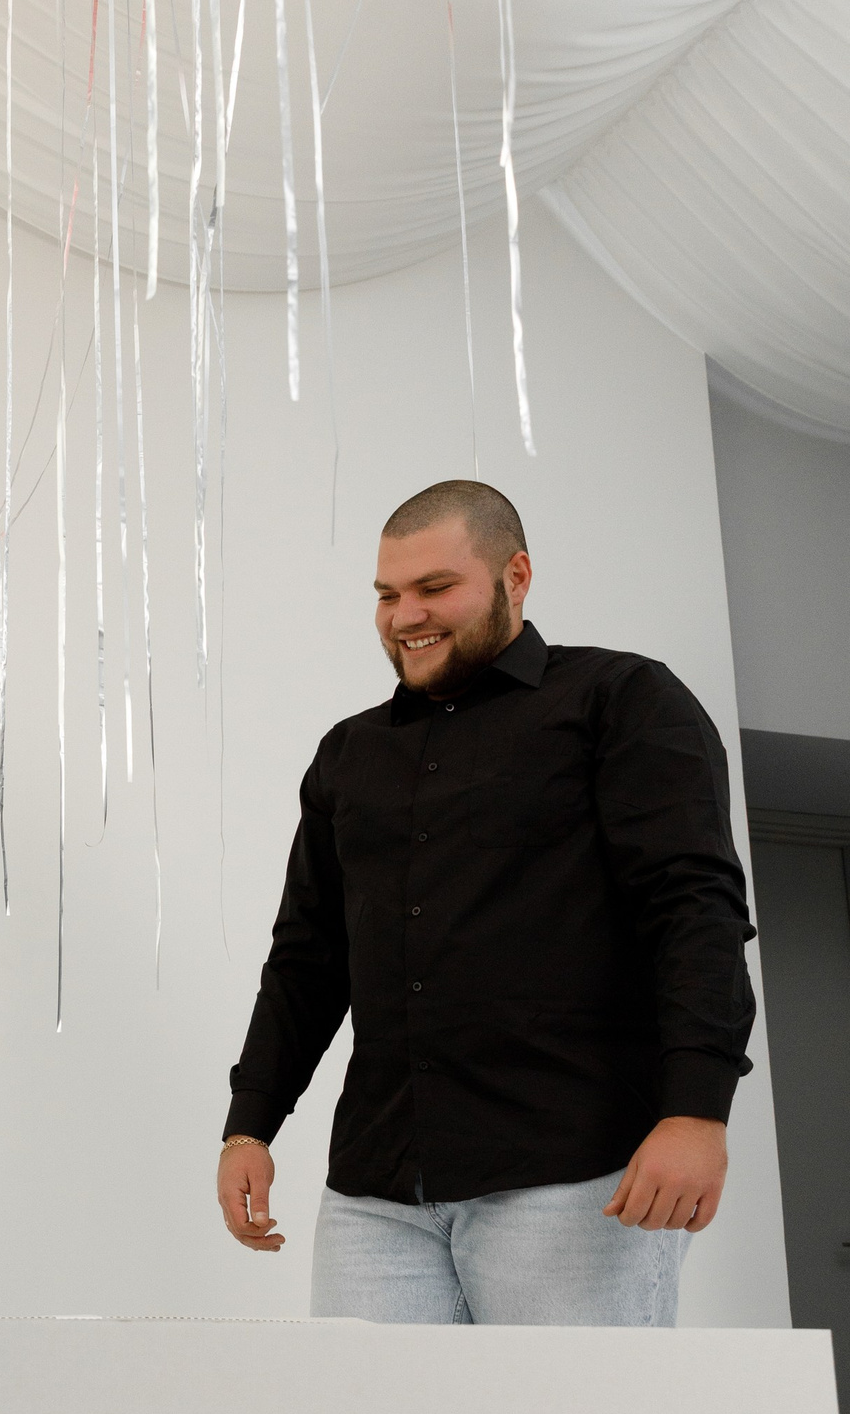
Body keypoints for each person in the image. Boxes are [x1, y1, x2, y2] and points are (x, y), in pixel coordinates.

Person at [216, 479, 757, 1326]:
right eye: (387, 594)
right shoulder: (349, 755)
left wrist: (696, 1112)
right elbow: (307, 957)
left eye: (435, 587)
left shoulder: (621, 700)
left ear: (517, 576)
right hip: (376, 1194)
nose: (405, 617)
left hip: (576, 1179)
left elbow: (695, 910)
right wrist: (250, 1124)